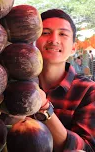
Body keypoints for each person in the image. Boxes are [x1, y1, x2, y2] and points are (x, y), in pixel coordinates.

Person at [35, 9, 95, 151]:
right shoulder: (14, 84)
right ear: (33, 41)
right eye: (45, 32)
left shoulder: (88, 90)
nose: (54, 40)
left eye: (62, 34)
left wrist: (44, 108)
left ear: (73, 48)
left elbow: (86, 148)